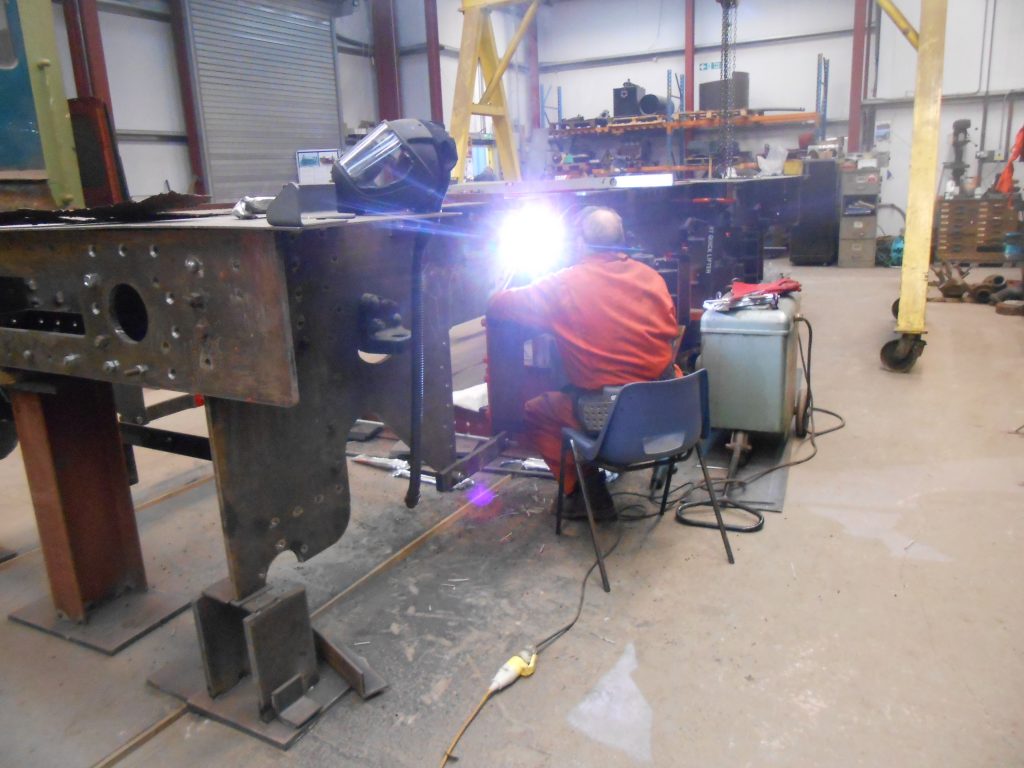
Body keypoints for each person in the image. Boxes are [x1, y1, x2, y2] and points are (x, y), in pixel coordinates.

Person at [487, 207, 680, 519]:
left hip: (610, 417)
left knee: (537, 410)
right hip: (667, 409)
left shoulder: (562, 285)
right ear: (623, 241)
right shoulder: (652, 279)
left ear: (579, 242)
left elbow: (497, 305)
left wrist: (502, 272)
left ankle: (585, 497)